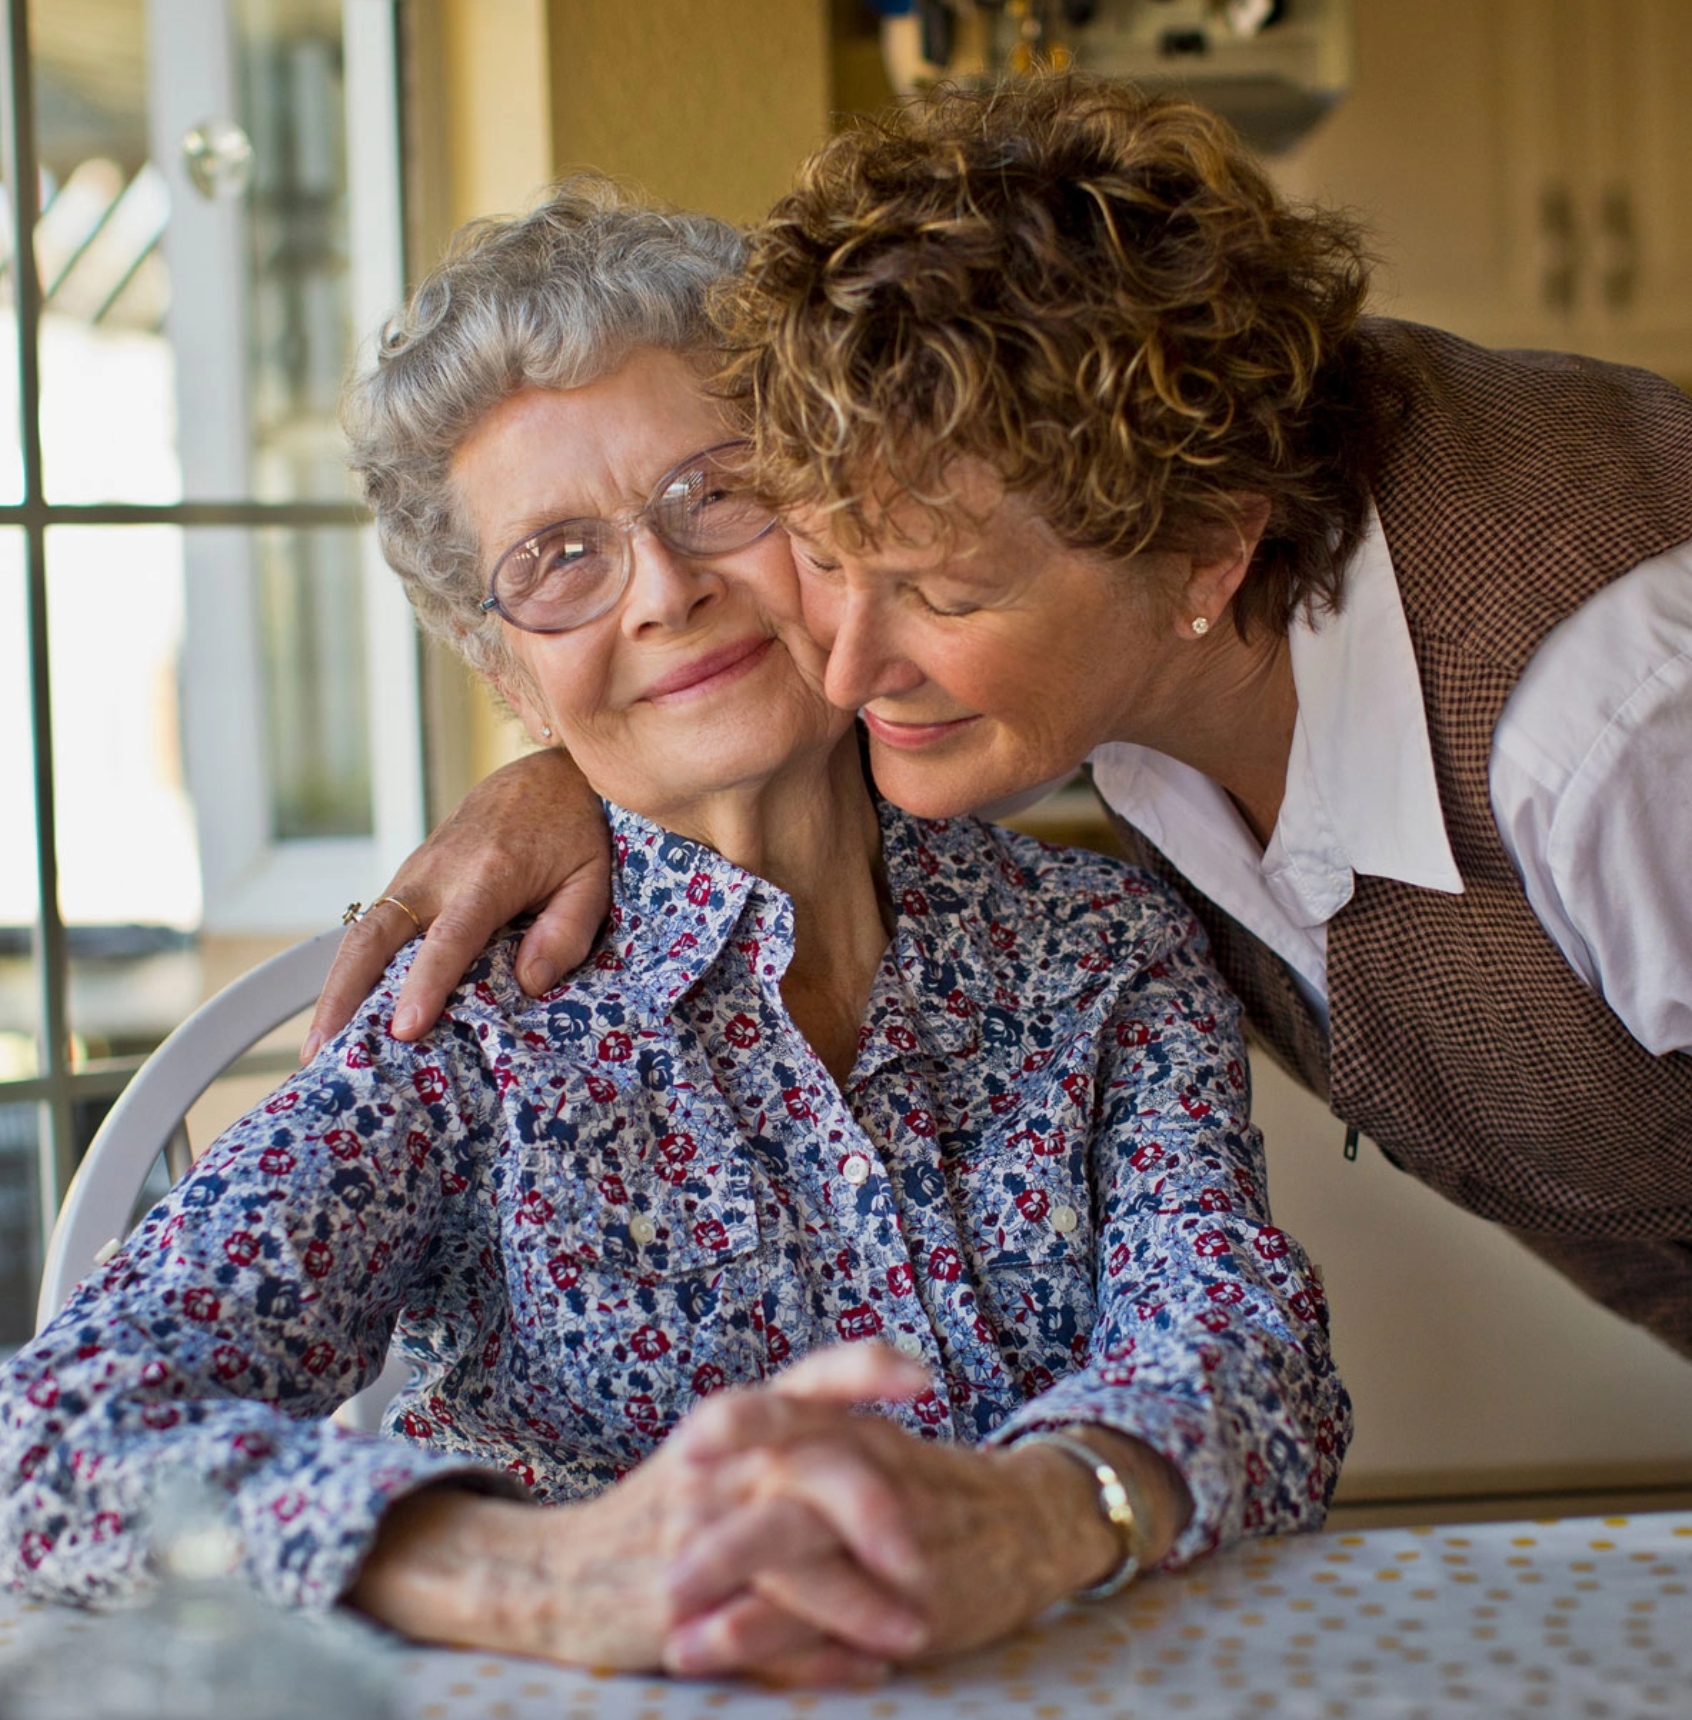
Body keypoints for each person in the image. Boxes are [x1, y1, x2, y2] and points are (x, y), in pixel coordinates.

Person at [0, 181, 1345, 1685]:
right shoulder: (468, 1013)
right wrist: (540, 1571)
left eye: (717, 491)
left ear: (836, 516)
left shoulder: (1096, 944)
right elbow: (52, 1436)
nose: (666, 591)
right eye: (557, 558)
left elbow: (1247, 1346)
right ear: (505, 672)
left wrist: (1032, 1520)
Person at [322, 74, 1692, 1356]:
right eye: (830, 555)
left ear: (1207, 551)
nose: (849, 669)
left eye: (939, 594)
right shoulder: (1056, 534)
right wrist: (567, 776)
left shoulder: (1618, 730)